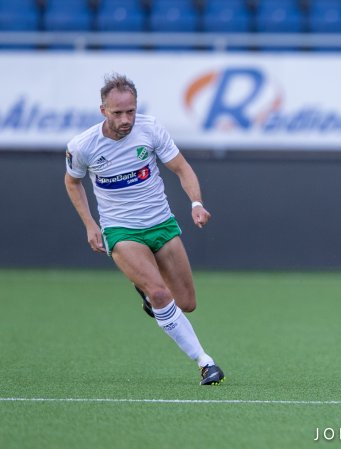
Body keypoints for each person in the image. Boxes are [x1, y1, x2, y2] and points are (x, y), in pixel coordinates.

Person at [64, 73, 224, 385]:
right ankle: (205, 362)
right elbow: (72, 181)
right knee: (160, 292)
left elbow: (181, 167)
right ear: (103, 111)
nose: (126, 119)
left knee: (187, 303)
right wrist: (90, 224)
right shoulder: (83, 146)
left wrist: (196, 203)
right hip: (121, 231)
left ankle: (150, 297)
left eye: (131, 111)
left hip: (161, 224)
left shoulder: (150, 129)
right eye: (118, 113)